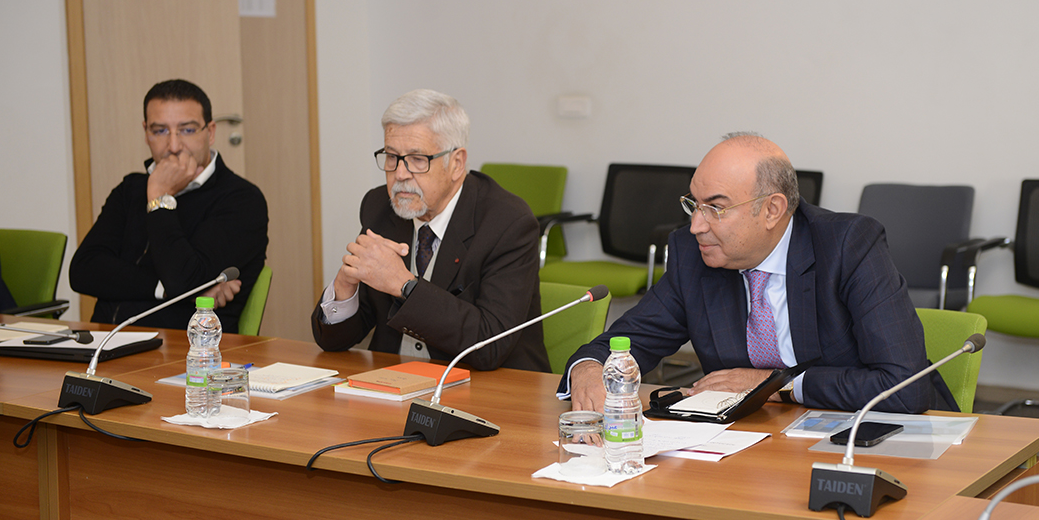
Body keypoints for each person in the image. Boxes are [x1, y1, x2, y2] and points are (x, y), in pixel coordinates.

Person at [559, 132, 957, 414]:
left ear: (771, 210)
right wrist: (590, 369)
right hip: (755, 440)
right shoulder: (693, 254)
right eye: (693, 204)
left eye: (716, 208)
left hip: (872, 436)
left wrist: (775, 385)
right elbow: (627, 343)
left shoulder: (848, 246)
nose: (696, 225)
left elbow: (903, 387)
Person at [311, 89, 549, 371]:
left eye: (417, 159)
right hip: (395, 382)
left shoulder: (507, 223)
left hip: (491, 386)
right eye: (392, 156)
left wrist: (404, 285)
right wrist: (344, 291)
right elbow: (336, 341)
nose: (400, 174)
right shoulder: (380, 207)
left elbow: (489, 345)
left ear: (456, 163)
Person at [69, 79, 268, 332]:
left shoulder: (242, 199)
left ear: (210, 132)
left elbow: (184, 280)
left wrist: (159, 199)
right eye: (160, 131)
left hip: (186, 348)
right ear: (146, 133)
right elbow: (83, 270)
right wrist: (163, 289)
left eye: (187, 130)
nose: (173, 146)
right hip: (104, 340)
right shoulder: (130, 189)